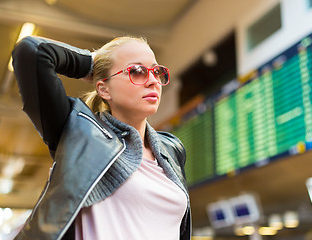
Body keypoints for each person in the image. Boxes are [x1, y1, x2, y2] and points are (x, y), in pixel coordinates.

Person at [11, 35, 191, 240]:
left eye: (156, 71)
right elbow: (32, 51)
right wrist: (91, 63)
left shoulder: (172, 149)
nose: (152, 81)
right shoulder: (78, 133)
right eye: (137, 71)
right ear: (104, 89)